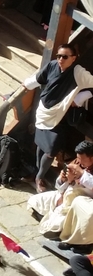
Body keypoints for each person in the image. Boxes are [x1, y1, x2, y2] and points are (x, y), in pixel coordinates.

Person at [23, 45, 93, 192]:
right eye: (59, 56)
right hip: (43, 111)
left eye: (65, 57)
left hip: (59, 115)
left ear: (73, 58)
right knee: (42, 145)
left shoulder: (78, 72)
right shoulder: (52, 65)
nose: (61, 59)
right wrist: (24, 86)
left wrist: (81, 97)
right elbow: (38, 78)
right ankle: (37, 172)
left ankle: (39, 177)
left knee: (51, 149)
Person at [29, 141, 93, 246]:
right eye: (78, 158)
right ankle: (50, 218)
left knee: (58, 224)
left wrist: (82, 174)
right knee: (34, 201)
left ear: (91, 158)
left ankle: (61, 230)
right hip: (65, 193)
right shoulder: (77, 162)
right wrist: (64, 179)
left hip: (80, 200)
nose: (79, 161)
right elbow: (59, 185)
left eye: (82, 159)